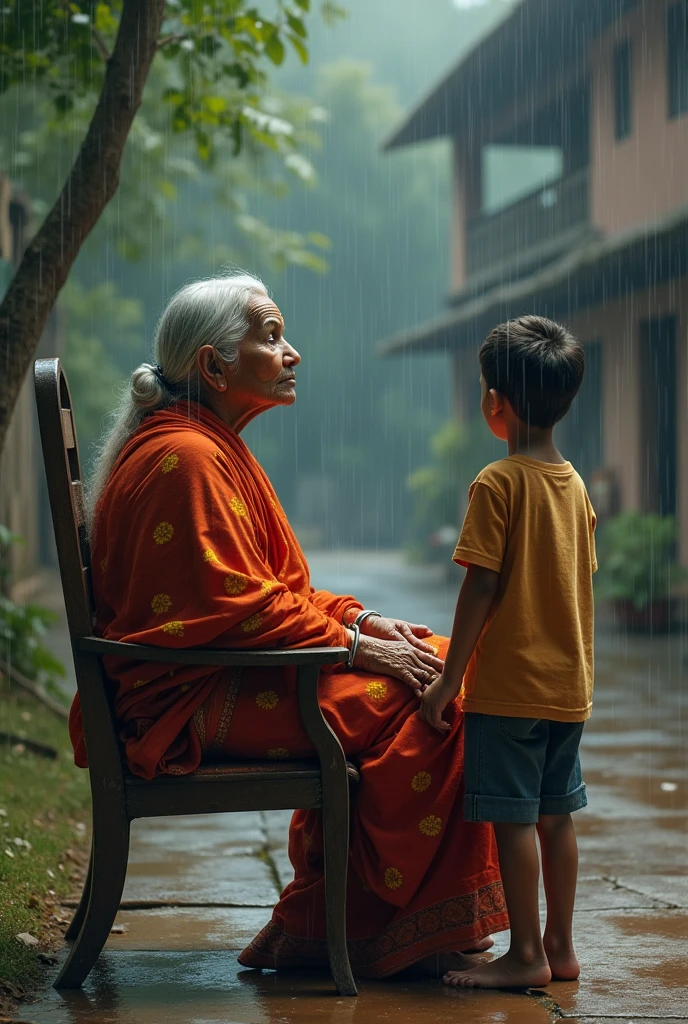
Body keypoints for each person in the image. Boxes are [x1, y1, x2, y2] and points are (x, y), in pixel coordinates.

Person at [69, 272, 508, 979]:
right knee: (441, 701)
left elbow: (266, 594)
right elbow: (239, 609)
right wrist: (360, 650)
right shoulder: (187, 457)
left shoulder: (205, 444)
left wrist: (362, 622)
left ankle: (369, 911)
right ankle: (364, 923)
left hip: (217, 673)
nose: (291, 352)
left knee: (445, 659)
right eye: (271, 337)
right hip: (189, 700)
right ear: (213, 365)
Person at [420, 315, 596, 990]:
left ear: (496, 403)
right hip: (567, 689)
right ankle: (561, 947)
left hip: (510, 691)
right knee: (558, 816)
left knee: (514, 819)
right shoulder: (575, 486)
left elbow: (482, 586)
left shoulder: (498, 483)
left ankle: (525, 956)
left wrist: (448, 679)